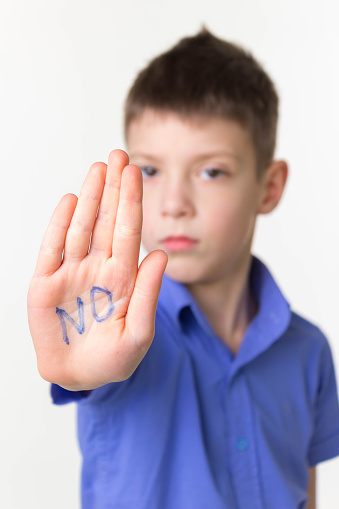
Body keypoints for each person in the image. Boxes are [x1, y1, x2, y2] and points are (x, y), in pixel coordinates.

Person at [27, 28, 339, 509]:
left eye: (211, 171)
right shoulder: (115, 332)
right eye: (150, 171)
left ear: (269, 186)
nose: (174, 204)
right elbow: (88, 369)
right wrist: (77, 374)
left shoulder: (309, 352)